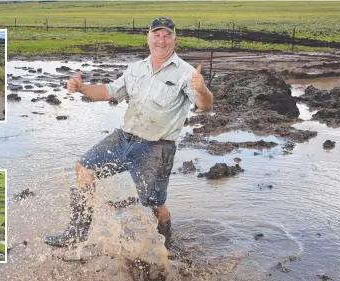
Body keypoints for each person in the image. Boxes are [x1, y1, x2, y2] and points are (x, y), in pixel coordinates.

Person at [44, 16, 214, 250]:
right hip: (124, 139)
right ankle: (76, 234)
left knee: (154, 204)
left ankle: (165, 248)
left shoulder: (186, 74)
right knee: (84, 169)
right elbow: (108, 92)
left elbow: (205, 106)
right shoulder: (135, 69)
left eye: (167, 35)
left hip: (156, 148)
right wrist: (82, 88)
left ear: (175, 39)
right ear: (148, 37)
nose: (161, 40)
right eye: (157, 34)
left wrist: (202, 89)